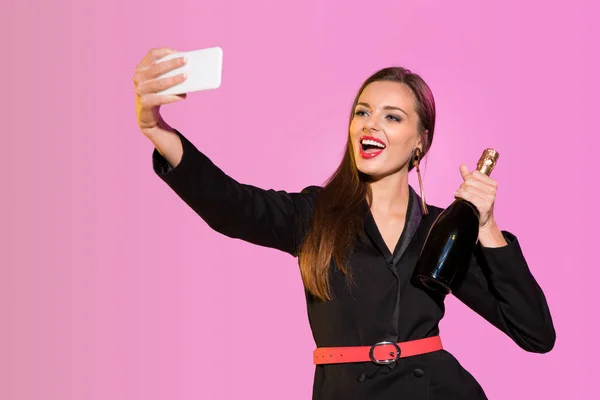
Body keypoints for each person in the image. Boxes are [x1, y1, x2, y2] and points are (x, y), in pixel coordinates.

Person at [133, 47, 556, 400]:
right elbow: (230, 205)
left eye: (392, 116)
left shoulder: (441, 230)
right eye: (362, 112)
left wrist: (487, 227)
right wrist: (156, 129)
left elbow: (535, 334)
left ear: (420, 141)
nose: (370, 123)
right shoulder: (316, 215)